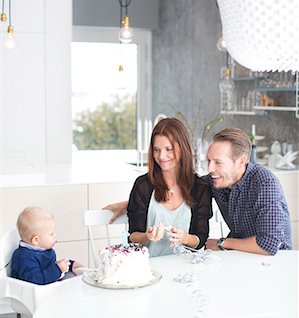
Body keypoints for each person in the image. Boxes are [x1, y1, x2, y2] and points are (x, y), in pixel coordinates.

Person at [104, 127, 292, 256]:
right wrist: (133, 203)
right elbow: (182, 190)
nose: (210, 168)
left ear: (241, 161)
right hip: (239, 257)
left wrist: (221, 243)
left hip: (273, 262)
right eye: (208, 160)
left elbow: (269, 244)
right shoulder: (215, 180)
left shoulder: (264, 184)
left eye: (218, 162)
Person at [125, 117, 212, 256]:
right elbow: (132, 236)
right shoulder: (143, 185)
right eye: (156, 149)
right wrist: (146, 237)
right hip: (149, 269)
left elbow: (200, 239)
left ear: (182, 148)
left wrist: (184, 238)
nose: (161, 156)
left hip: (186, 269)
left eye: (168, 149)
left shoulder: (200, 187)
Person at [11, 207, 83, 285]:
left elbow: (49, 266)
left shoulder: (41, 250)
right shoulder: (23, 257)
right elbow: (36, 280)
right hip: (34, 295)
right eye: (51, 234)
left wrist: (69, 265)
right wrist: (58, 269)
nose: (56, 235)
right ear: (36, 240)